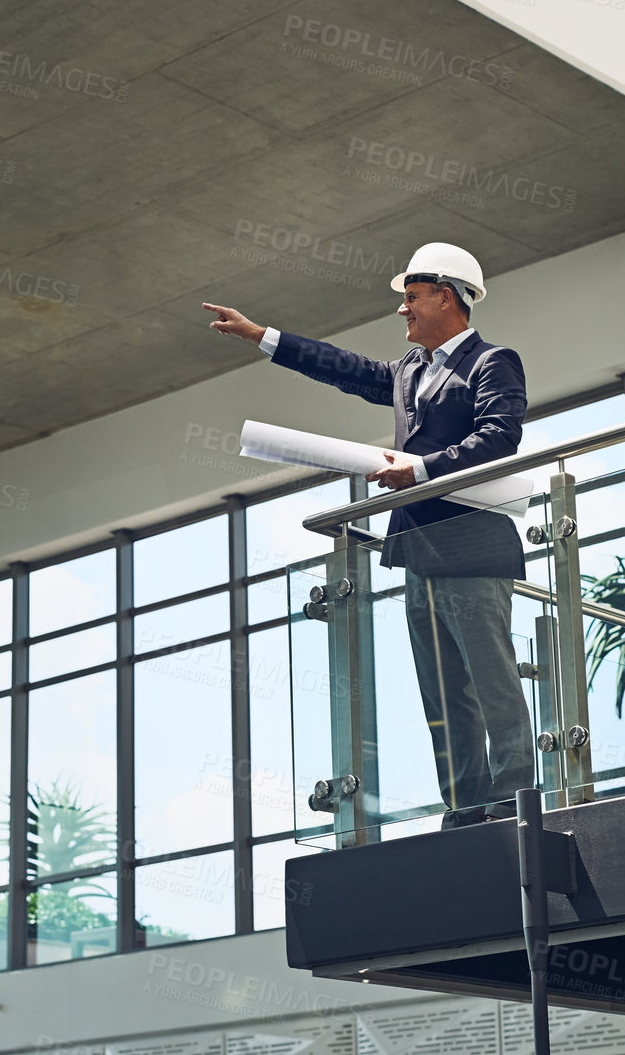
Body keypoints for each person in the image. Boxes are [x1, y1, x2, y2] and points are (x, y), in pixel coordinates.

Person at [203, 242, 535, 828]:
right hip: (419, 550)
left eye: (411, 298)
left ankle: (514, 803)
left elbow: (500, 436)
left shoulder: (491, 362)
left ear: (446, 297)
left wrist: (421, 469)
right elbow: (345, 368)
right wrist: (263, 336)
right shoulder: (410, 371)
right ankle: (466, 807)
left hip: (473, 544)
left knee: (493, 687)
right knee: (442, 697)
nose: (402, 310)